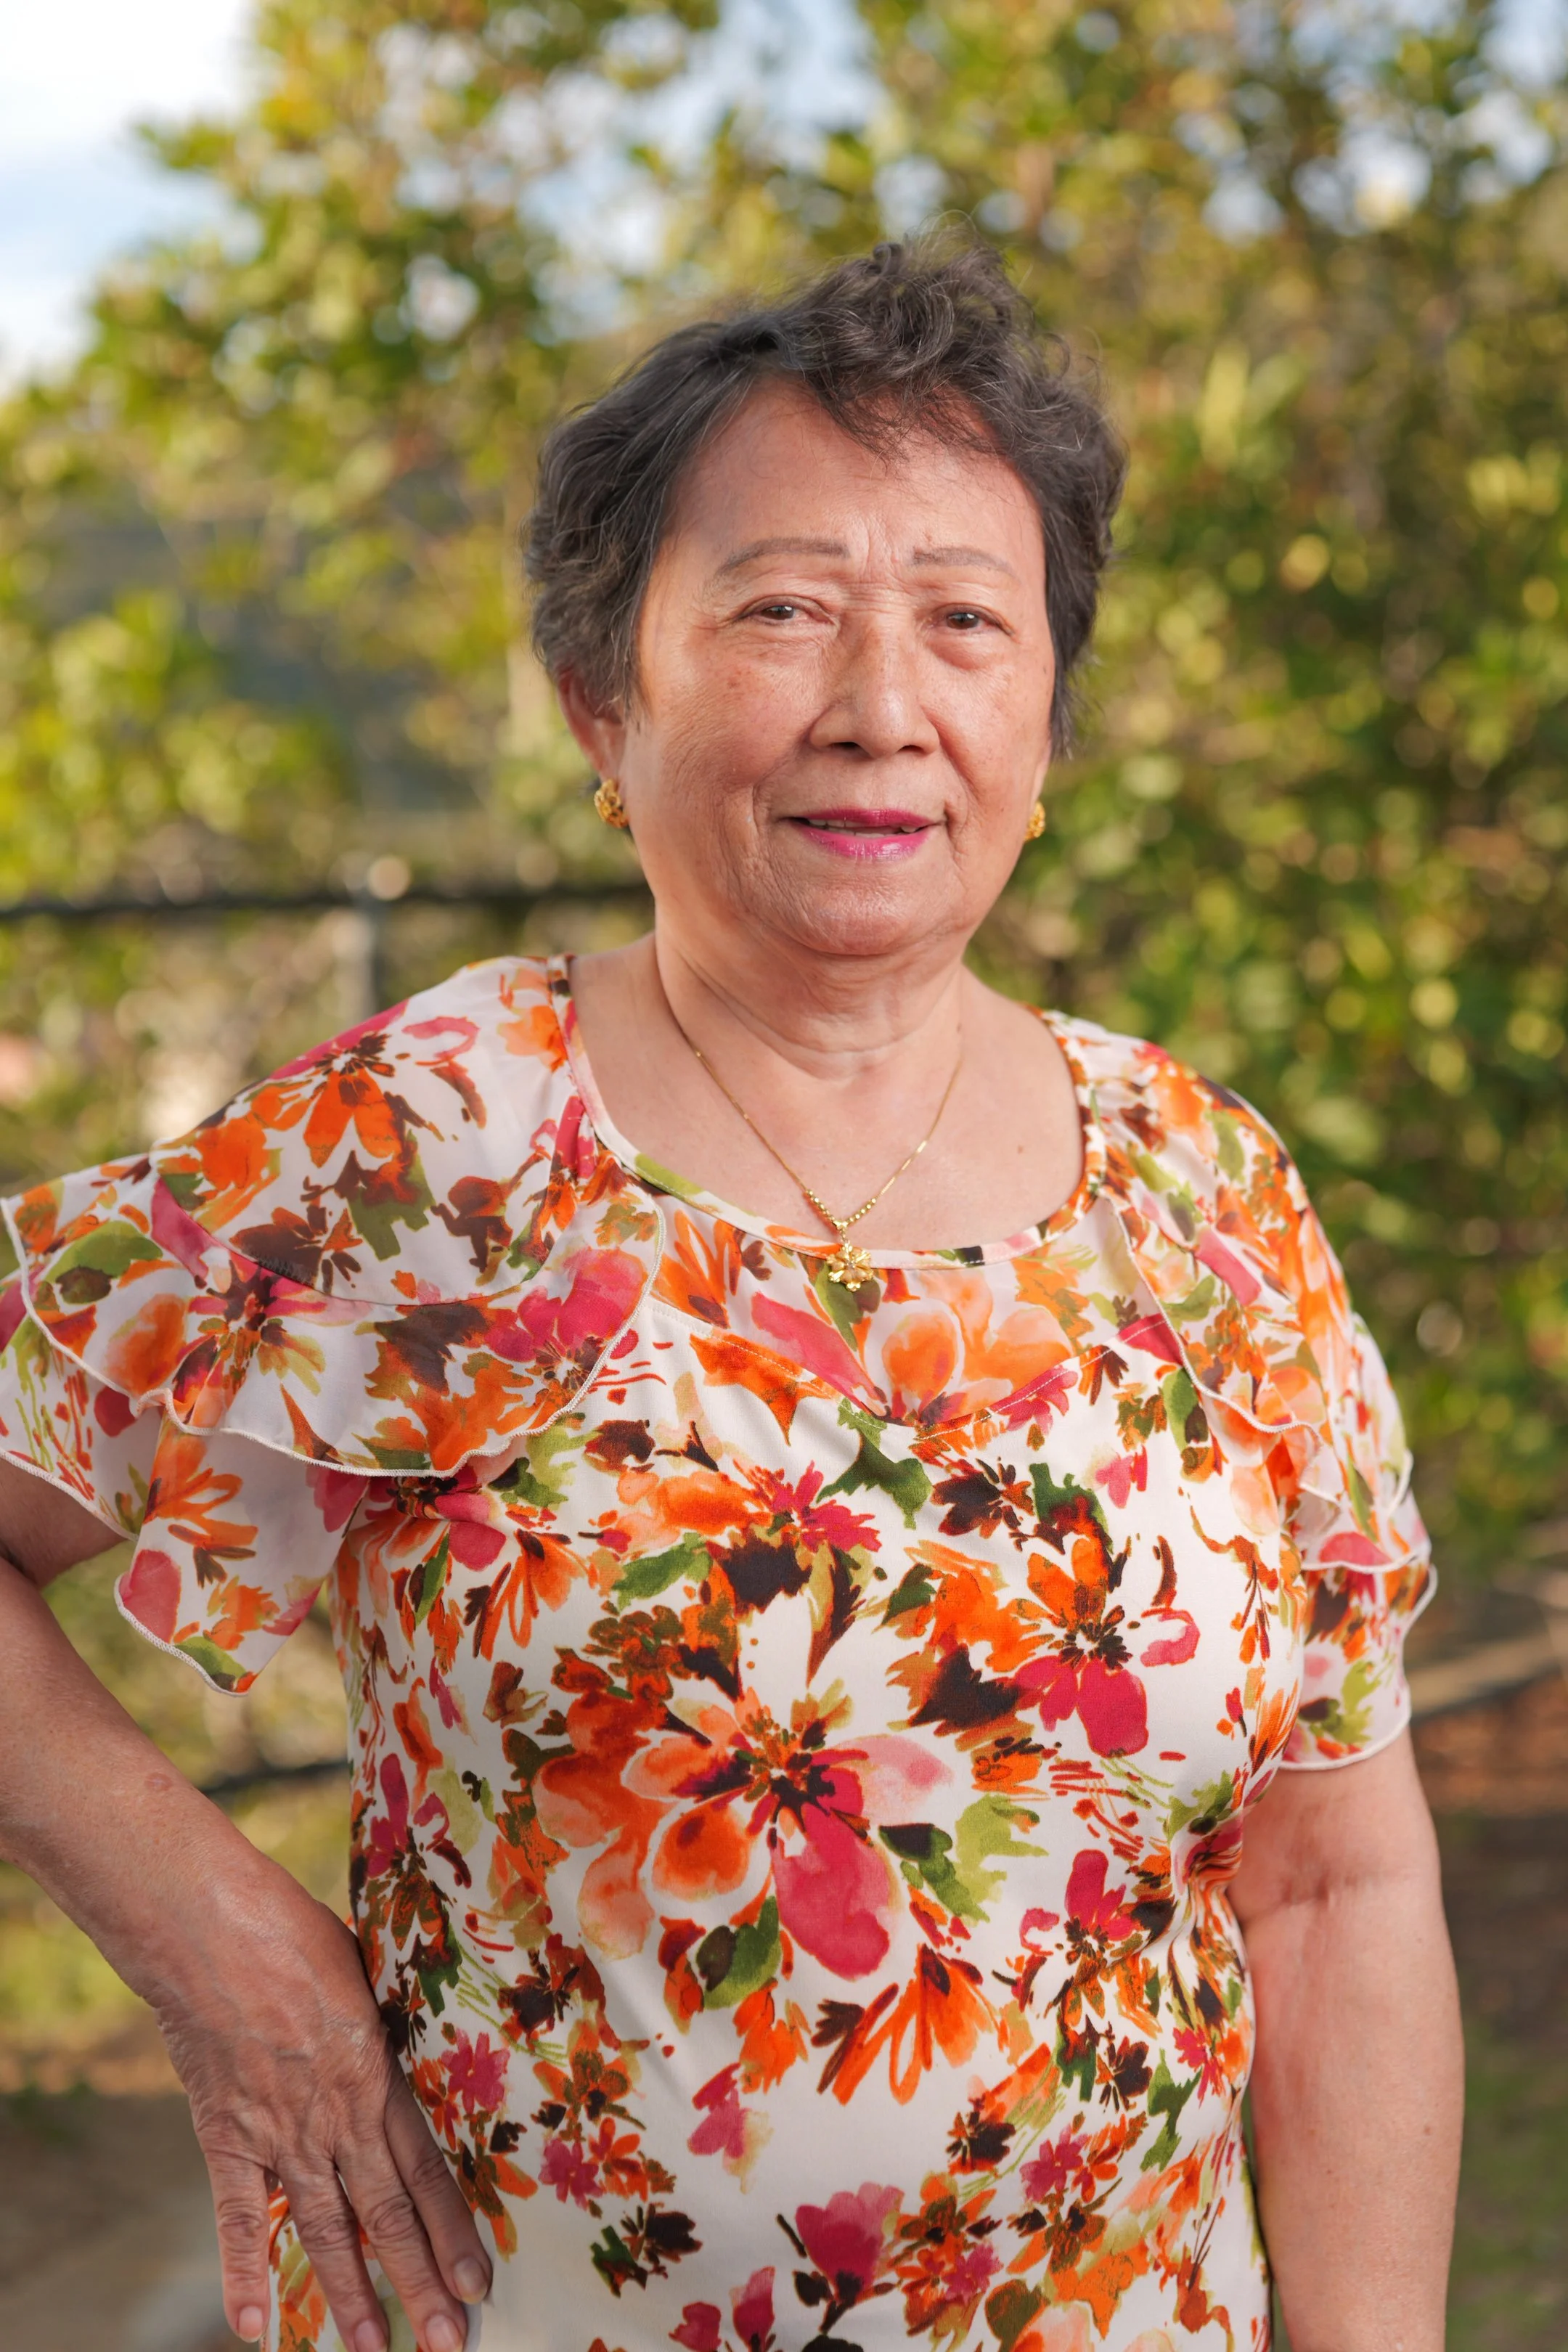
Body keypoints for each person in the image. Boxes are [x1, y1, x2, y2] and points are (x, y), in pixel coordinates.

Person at [0, 240, 1461, 2352]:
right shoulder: (443, 1138)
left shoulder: (1206, 1187)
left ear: (1044, 719)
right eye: (782, 610)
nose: (883, 707)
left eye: (969, 622)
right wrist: (229, 1949)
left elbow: (1341, 1884)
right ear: (608, 701)